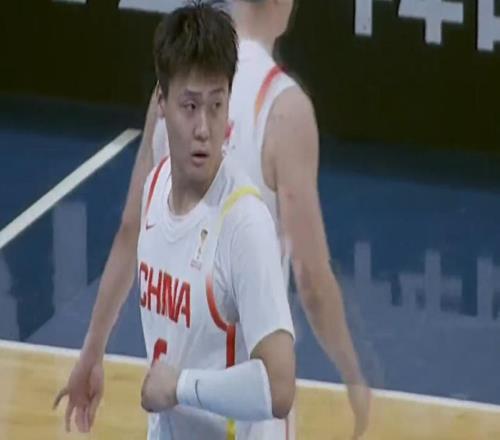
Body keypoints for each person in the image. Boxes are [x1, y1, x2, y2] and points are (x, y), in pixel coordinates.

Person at [55, 0, 370, 438]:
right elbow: (131, 230)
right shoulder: (156, 187)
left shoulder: (246, 224)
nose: (203, 128)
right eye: (189, 107)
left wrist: (179, 387)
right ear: (164, 104)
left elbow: (278, 386)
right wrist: (92, 355)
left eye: (216, 106)